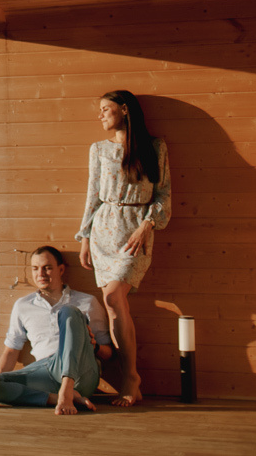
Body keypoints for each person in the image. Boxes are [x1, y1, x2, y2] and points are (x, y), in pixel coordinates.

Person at [76, 89, 172, 407]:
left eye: (106, 109)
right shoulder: (98, 149)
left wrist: (148, 225)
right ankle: (128, 377)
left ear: (125, 111)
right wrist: (85, 237)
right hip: (104, 228)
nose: (100, 115)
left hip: (136, 231)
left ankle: (131, 377)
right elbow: (93, 194)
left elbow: (163, 194)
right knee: (115, 304)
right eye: (100, 109)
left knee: (114, 296)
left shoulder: (155, 147)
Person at [0, 246, 113, 414]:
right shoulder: (23, 306)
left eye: (47, 268)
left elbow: (109, 353)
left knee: (68, 311)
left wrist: (95, 347)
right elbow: (11, 351)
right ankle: (57, 398)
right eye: (35, 269)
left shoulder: (87, 302)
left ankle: (67, 388)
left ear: (61, 269)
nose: (41, 274)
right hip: (48, 371)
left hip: (83, 371)